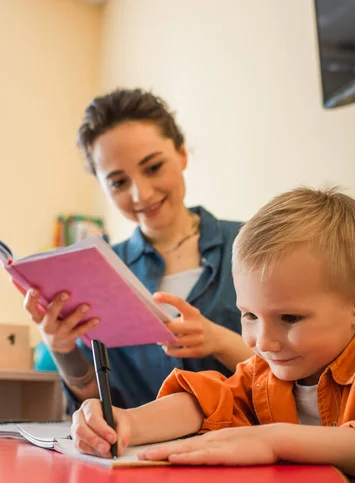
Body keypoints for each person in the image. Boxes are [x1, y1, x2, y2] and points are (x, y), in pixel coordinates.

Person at [72, 187, 355, 483]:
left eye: (289, 318)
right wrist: (129, 421)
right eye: (249, 315)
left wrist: (275, 440)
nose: (264, 341)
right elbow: (203, 400)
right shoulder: (264, 374)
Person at [21, 89, 253, 413]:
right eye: (118, 182)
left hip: (247, 451)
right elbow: (97, 401)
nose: (141, 194)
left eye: (154, 167)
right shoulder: (99, 270)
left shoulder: (253, 245)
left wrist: (220, 341)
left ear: (182, 153)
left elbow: (302, 373)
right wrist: (61, 348)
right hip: (140, 458)